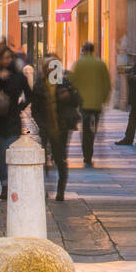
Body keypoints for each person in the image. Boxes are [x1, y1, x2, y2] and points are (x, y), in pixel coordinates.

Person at [0, 44, 30, 200]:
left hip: (13, 120)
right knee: (2, 153)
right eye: (3, 58)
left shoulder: (19, 75)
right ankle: (4, 183)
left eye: (8, 58)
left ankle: (12, 183)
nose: (5, 60)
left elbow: (29, 94)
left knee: (12, 153)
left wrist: (19, 107)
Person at [30, 56, 81, 201]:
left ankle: (60, 190)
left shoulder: (64, 82)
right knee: (42, 160)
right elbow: (35, 109)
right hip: (46, 127)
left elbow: (77, 101)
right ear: (45, 69)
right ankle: (43, 188)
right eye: (49, 67)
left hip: (61, 127)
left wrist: (69, 95)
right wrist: (41, 124)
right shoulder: (40, 85)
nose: (52, 70)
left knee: (60, 159)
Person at [70, 41, 111, 167]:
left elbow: (72, 81)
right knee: (94, 129)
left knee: (86, 129)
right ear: (93, 50)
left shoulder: (79, 64)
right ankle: (90, 150)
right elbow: (107, 84)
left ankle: (87, 155)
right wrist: (104, 99)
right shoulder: (100, 64)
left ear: (83, 50)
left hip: (83, 103)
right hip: (97, 103)